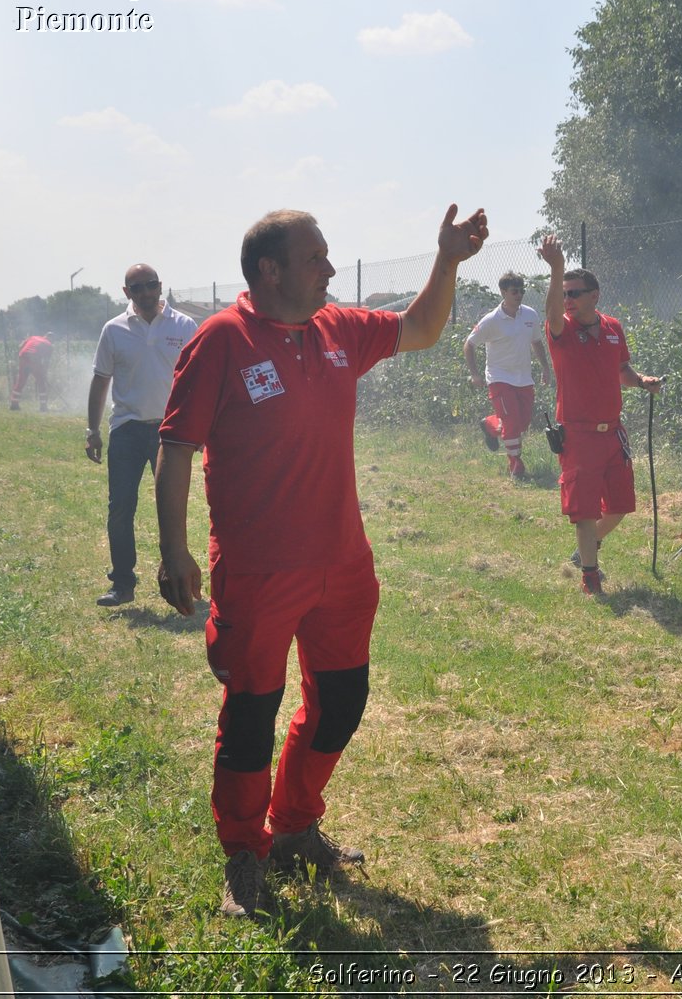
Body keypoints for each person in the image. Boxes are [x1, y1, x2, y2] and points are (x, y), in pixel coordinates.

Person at [156, 204, 487, 917]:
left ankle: (296, 825)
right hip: (258, 570)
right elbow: (177, 445)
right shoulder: (222, 341)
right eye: (316, 259)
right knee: (251, 712)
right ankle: (244, 854)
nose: (331, 270)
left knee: (342, 701)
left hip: (343, 565)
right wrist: (173, 546)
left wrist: (448, 260)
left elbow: (423, 329)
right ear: (270, 270)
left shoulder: (339, 329)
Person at [538, 234, 662, 595]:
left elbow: (623, 371)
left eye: (574, 292)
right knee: (585, 511)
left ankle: (585, 550)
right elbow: (550, 313)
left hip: (613, 434)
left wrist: (642, 382)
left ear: (595, 295)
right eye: (565, 293)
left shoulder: (613, 328)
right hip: (577, 435)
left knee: (621, 506)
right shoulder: (560, 328)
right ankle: (590, 576)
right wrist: (557, 267)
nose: (568, 300)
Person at [85, 264, 197, 607]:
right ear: (126, 292)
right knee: (120, 507)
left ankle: (180, 578)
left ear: (160, 286)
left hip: (172, 430)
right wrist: (93, 430)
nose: (146, 292)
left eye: (151, 285)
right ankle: (122, 584)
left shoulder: (184, 326)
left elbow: (197, 378)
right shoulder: (114, 330)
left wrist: (200, 425)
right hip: (127, 429)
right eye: (138, 288)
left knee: (173, 507)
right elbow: (101, 380)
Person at [464, 271, 551, 478]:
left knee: (522, 422)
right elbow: (469, 345)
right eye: (514, 291)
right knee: (512, 422)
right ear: (503, 292)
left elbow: (537, 342)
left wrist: (546, 368)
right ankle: (516, 465)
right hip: (499, 378)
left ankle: (490, 424)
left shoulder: (530, 314)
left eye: (522, 291)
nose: (519, 295)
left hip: (524, 378)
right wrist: (475, 374)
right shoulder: (491, 320)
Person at [10, 330, 54, 411]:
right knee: (41, 382)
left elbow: (20, 346)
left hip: (23, 357)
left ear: (44, 336)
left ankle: (14, 404)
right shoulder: (49, 345)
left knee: (21, 381)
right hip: (34, 359)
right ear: (51, 339)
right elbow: (46, 362)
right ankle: (43, 406)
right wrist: (44, 374)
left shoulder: (33, 337)